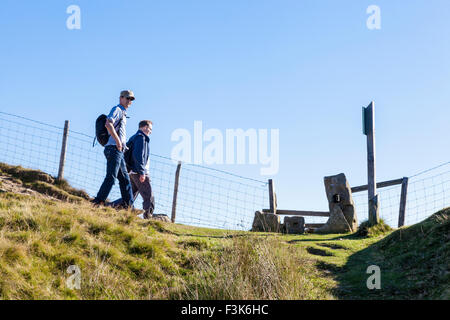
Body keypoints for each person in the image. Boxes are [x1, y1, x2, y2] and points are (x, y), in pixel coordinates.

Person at [92, 90, 135, 208]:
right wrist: (117, 141)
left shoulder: (123, 113)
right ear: (121, 98)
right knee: (111, 177)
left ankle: (129, 207)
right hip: (113, 148)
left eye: (131, 99)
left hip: (118, 150)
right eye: (127, 98)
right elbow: (108, 123)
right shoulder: (117, 110)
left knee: (125, 179)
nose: (129, 101)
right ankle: (97, 201)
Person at [113, 120, 155, 218]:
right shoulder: (141, 138)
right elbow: (138, 155)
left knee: (130, 196)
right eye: (150, 129)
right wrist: (141, 172)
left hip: (131, 171)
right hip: (138, 171)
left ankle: (111, 207)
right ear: (145, 127)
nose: (150, 132)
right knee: (149, 196)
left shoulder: (134, 137)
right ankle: (148, 218)